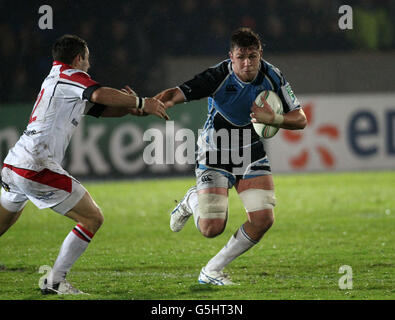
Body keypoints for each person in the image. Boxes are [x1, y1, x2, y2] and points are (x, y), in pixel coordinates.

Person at [0, 34, 169, 294]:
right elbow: (100, 93)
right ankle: (55, 281)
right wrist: (141, 102)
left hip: (15, 163)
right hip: (35, 165)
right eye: (87, 60)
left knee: (3, 223)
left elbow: (99, 108)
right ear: (78, 58)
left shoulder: (55, 80)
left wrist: (133, 109)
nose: (89, 66)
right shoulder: (70, 77)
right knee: (92, 218)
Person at [155, 27, 306, 285]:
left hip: (251, 152)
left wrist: (274, 119)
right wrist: (148, 104)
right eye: (241, 57)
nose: (247, 63)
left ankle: (212, 270)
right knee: (211, 228)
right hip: (215, 152)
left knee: (262, 219)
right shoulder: (217, 76)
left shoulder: (273, 76)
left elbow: (300, 120)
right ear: (231, 56)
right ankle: (192, 199)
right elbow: (175, 94)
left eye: (253, 56)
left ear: (260, 55)